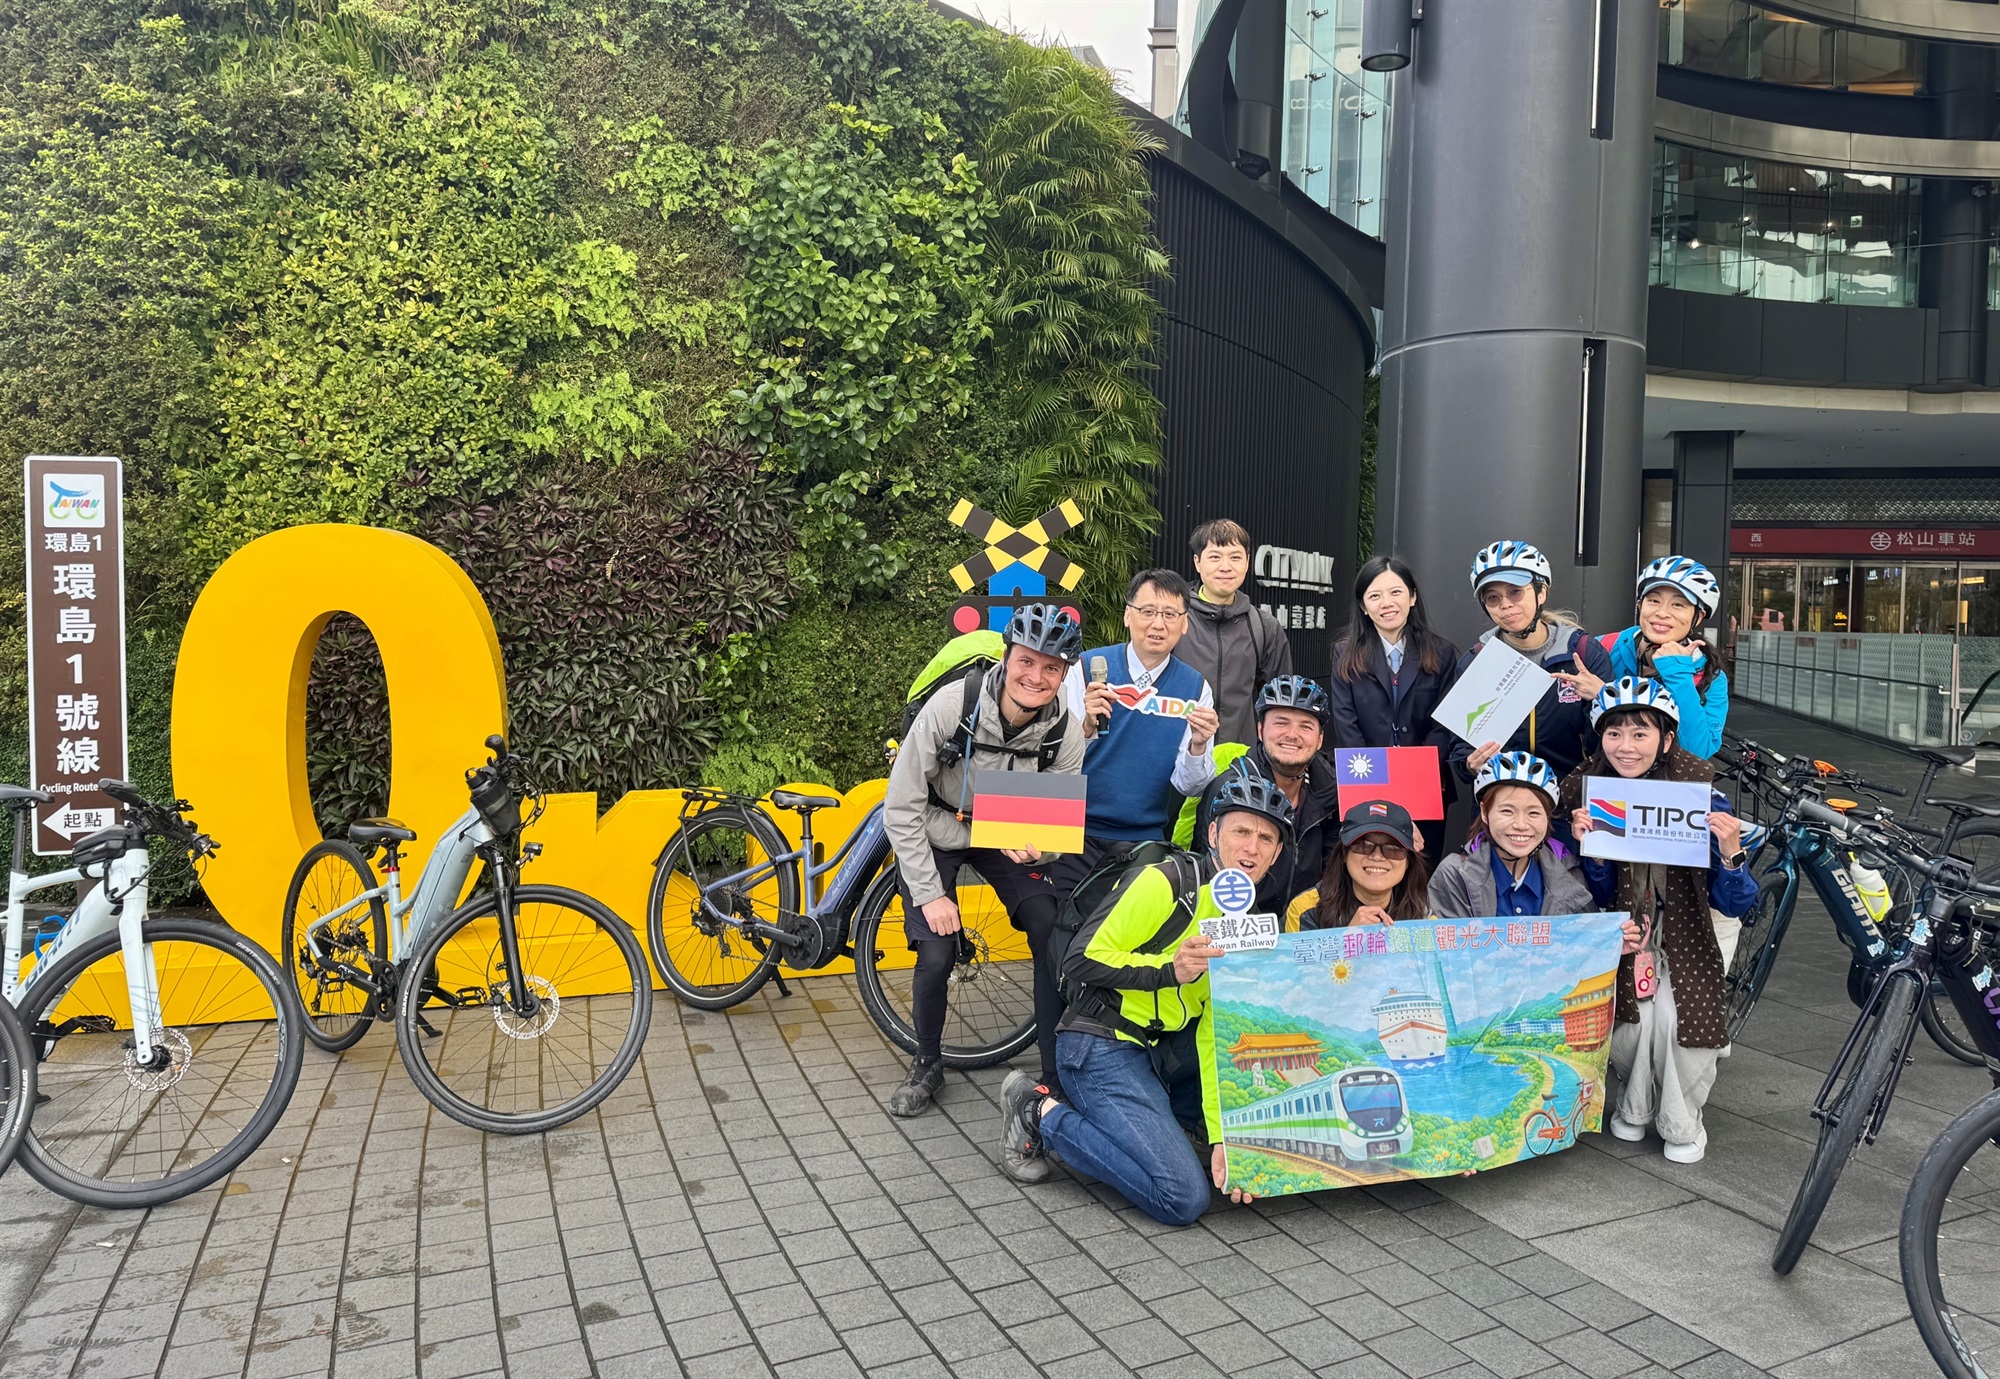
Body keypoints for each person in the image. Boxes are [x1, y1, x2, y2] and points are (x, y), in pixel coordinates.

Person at [992, 773, 1291, 1222]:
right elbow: (1080, 959)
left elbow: (1217, 1030)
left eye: (1266, 838)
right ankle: (1039, 1111)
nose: (1252, 848)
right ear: (1213, 833)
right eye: (1241, 831)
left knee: (1196, 1161)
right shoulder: (1168, 881)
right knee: (1183, 1198)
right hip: (1099, 1043)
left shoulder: (1244, 917)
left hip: (1155, 1050)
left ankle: (1146, 1123)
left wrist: (1225, 1134)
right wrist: (1172, 970)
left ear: (1277, 853)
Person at [882, 602, 1088, 1117]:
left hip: (1003, 827)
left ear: (1064, 674)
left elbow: (1060, 828)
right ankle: (927, 1061)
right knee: (936, 951)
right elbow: (900, 805)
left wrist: (1042, 845)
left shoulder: (1066, 728)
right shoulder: (953, 707)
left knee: (1048, 925)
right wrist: (930, 895)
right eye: (1026, 661)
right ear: (1005, 656)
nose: (1036, 677)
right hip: (934, 822)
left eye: (1051, 668)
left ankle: (1051, 1074)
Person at [1564, 678, 1757, 1165]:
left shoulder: (1700, 791)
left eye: (1640, 734)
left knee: (1677, 1021)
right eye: (1614, 733)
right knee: (1636, 1019)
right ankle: (1636, 1104)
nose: (1626, 747)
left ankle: (1681, 1120)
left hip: (1692, 931)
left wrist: (1731, 851)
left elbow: (1735, 904)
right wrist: (1590, 850)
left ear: (1666, 740)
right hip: (1627, 932)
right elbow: (1594, 892)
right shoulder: (1584, 789)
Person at [1052, 570, 1219, 892]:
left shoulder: (1196, 688)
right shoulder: (1085, 668)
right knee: (1061, 930)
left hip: (1145, 841)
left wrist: (1199, 744)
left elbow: (1190, 785)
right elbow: (1052, 757)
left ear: (1185, 624)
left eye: (1170, 614)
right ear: (1128, 615)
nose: (1158, 624)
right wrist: (1086, 726)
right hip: (1074, 832)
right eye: (1148, 612)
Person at [1452, 539, 1617, 797]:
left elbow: (1607, 745)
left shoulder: (1583, 653)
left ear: (1541, 592)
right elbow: (1460, 747)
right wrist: (1468, 764)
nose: (1505, 604)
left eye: (1515, 591)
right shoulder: (1477, 661)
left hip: (1568, 803)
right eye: (1493, 598)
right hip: (1500, 803)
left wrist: (1603, 700)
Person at [1326, 555, 1462, 865]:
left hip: (1427, 788)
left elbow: (1444, 725)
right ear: (1363, 605)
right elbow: (1347, 727)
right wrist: (1376, 788)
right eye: (1374, 595)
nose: (1386, 603)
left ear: (1412, 597)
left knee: (1421, 873)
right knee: (1375, 868)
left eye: (1396, 592)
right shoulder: (1345, 654)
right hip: (1366, 786)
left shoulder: (1441, 653)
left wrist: (1413, 779)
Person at [1187, 676, 1341, 915]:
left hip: (1307, 925)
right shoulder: (1230, 788)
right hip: (1242, 926)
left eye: (1306, 726)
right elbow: (1209, 875)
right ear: (1260, 729)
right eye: (1281, 723)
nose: (1292, 734)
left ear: (1320, 739)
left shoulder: (1331, 789)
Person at [1566, 557, 1731, 759]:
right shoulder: (1604, 647)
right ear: (1639, 605)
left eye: (1678, 604)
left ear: (1698, 616)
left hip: (1665, 786)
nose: (1662, 613)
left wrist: (1677, 674)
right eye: (1653, 600)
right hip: (1600, 778)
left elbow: (1696, 752)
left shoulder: (1710, 676)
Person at [1432, 753, 1601, 922]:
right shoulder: (1454, 874)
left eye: (1534, 813)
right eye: (1507, 811)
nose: (1521, 825)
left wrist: (1618, 942)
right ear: (1484, 812)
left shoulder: (1567, 871)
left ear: (1548, 816)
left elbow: (1590, 939)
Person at [1178, 518, 1292, 748]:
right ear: (1197, 562)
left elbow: (1280, 703)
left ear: (1247, 562)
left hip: (1239, 762)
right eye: (1215, 557)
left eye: (1235, 557)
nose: (1225, 567)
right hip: (1176, 758)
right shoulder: (1173, 618)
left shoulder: (1264, 626)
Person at [1284, 800, 1433, 929]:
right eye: (1364, 845)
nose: (1377, 856)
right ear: (1344, 854)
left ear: (1408, 861)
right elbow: (1297, 962)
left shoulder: (1424, 915)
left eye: (1393, 849)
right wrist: (1350, 941)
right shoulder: (1306, 909)